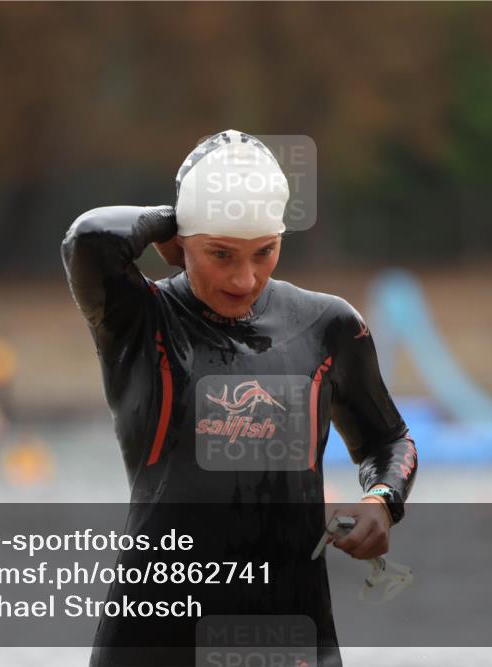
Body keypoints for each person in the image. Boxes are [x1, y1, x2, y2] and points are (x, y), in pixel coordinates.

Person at [62, 129, 417, 667]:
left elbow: (388, 441)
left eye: (264, 251)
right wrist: (176, 215)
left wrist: (381, 503)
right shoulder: (141, 321)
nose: (244, 277)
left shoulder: (327, 326)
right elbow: (88, 239)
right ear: (181, 241)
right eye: (220, 253)